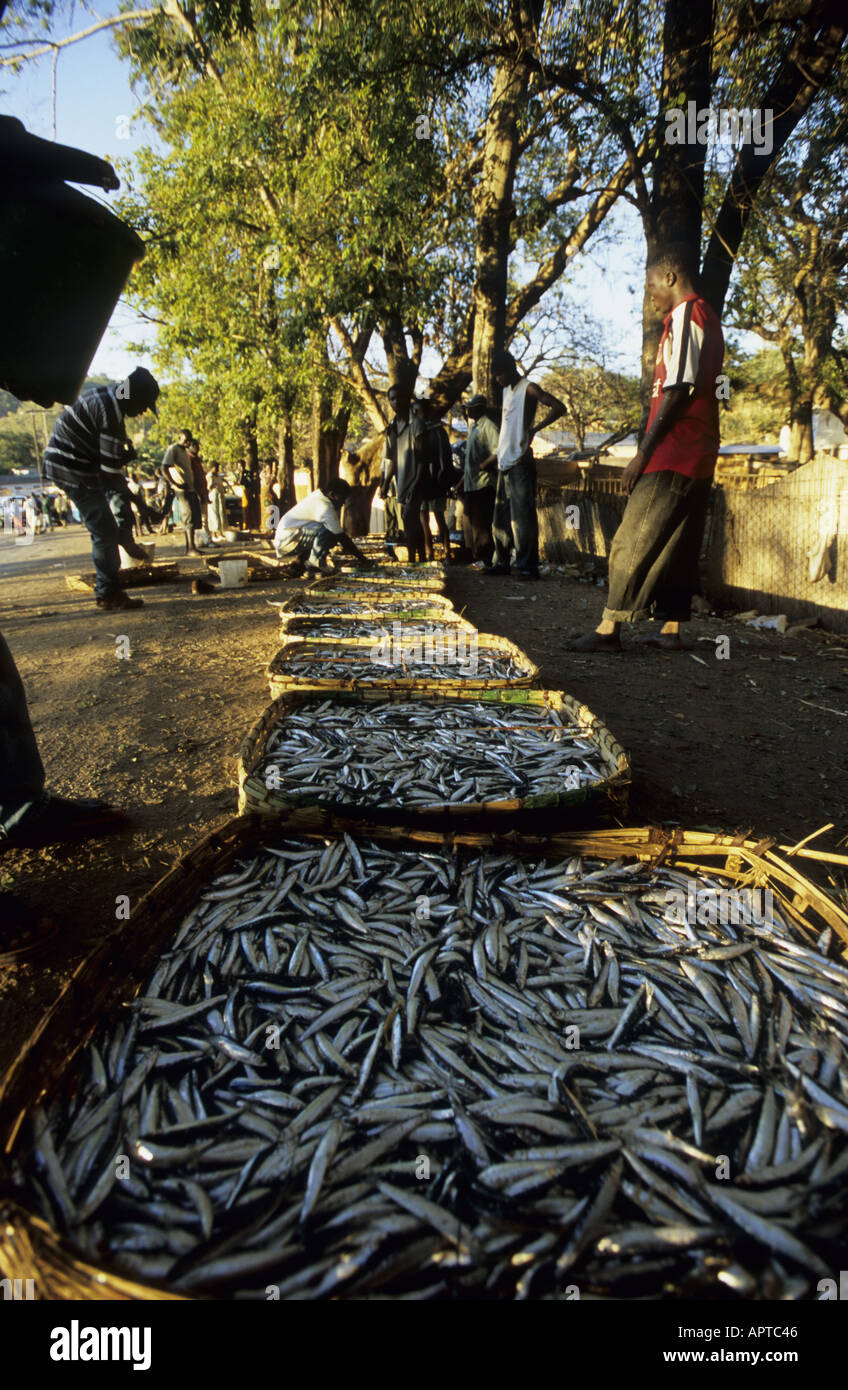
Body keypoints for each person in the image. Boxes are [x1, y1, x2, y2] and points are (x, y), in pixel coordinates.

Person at [569, 244, 724, 652]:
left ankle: (608, 630)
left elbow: (677, 391)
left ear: (670, 278)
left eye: (652, 285)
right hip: (698, 451)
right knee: (675, 541)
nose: (651, 296)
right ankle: (670, 629)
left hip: (676, 449)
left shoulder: (689, 313)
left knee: (631, 537)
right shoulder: (701, 317)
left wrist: (643, 453)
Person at [43, 366, 160, 609]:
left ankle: (123, 543)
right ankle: (108, 593)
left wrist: (120, 460)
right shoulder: (110, 415)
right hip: (70, 470)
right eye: (143, 406)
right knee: (104, 529)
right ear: (133, 396)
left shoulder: (106, 397)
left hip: (82, 468)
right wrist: (142, 505)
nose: (140, 413)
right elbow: (112, 478)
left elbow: (111, 469)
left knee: (114, 513)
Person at [483, 350, 565, 580]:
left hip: (520, 460)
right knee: (500, 517)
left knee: (523, 518)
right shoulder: (506, 391)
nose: (498, 379)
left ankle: (528, 566)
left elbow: (559, 407)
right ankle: (501, 563)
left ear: (510, 370)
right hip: (504, 461)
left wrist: (535, 429)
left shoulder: (529, 387)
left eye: (500, 374)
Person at [273, 479, 372, 574]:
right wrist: (363, 559)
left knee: (324, 531)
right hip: (287, 542)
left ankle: (298, 564)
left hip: (289, 538)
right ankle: (314, 565)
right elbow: (342, 538)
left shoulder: (319, 496)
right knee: (329, 532)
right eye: (342, 499)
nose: (343, 503)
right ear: (332, 494)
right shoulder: (324, 506)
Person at [380, 380, 428, 564]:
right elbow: (391, 459)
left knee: (410, 518)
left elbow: (423, 460)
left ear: (406, 400)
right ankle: (418, 560)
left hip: (418, 480)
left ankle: (416, 560)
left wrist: (416, 484)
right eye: (392, 399)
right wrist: (385, 483)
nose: (395, 402)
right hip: (402, 482)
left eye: (399, 398)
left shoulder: (417, 425)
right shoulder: (392, 427)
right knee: (410, 522)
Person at [413, 398, 454, 562]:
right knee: (424, 520)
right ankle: (429, 553)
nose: (416, 414)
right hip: (422, 482)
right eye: (414, 411)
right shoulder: (417, 430)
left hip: (436, 481)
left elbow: (445, 459)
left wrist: (443, 479)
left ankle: (447, 552)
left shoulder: (438, 431)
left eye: (418, 411)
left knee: (439, 518)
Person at [462, 394, 499, 566]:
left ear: (479, 408)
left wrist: (485, 464)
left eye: (471, 407)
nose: (468, 410)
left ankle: (487, 560)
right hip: (472, 484)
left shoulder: (488, 426)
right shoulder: (474, 427)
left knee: (482, 524)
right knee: (473, 523)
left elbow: (498, 451)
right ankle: (480, 558)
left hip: (484, 484)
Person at [162, 428, 203, 555]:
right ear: (180, 438)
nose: (188, 442)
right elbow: (164, 467)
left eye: (189, 440)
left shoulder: (184, 452)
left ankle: (191, 547)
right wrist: (175, 483)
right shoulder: (173, 449)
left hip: (190, 489)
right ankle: (190, 548)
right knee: (188, 517)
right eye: (186, 440)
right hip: (181, 490)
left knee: (194, 518)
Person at [206, 463, 227, 540]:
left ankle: (220, 532)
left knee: (221, 513)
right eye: (216, 468)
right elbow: (208, 487)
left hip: (219, 495)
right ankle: (214, 533)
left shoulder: (218, 476)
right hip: (213, 495)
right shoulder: (209, 476)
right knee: (214, 514)